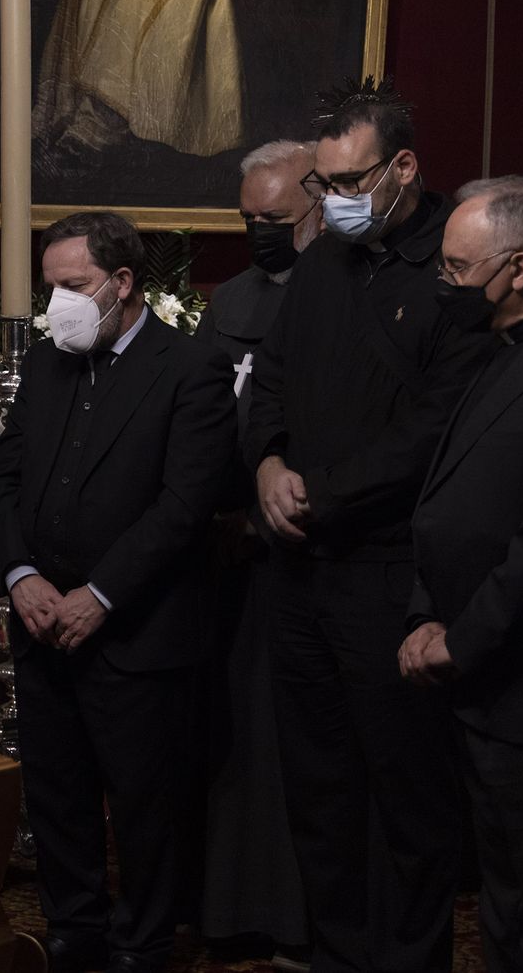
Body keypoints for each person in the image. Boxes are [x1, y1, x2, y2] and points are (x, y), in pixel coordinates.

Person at [244, 80, 494, 973]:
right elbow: (266, 381)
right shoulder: (319, 266)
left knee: (408, 800)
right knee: (318, 789)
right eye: (324, 184)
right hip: (299, 574)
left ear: (404, 167)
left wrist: (320, 490)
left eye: (350, 182)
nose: (335, 201)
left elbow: (438, 427)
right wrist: (269, 464)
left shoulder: (455, 269)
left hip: (390, 575)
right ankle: (340, 956)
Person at [0, 211, 234, 973]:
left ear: (123, 283)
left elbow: (185, 505)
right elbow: (3, 474)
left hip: (136, 628)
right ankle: (75, 924)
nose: (57, 303)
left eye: (73, 285)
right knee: (57, 787)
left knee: (144, 799)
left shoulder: (191, 367)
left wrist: (101, 592)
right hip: (41, 615)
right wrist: (21, 574)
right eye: (49, 285)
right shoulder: (55, 362)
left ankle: (145, 939)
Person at [399, 175, 523, 973]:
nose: (444, 286)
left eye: (457, 270)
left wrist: (462, 638)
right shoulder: (498, 351)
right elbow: (442, 497)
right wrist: (423, 613)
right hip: (473, 679)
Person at [193, 140, 315, 960]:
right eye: (247, 219)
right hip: (224, 550)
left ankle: (297, 918)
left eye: (273, 219)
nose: (259, 232)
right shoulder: (232, 296)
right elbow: (203, 411)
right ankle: (226, 908)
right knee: (228, 739)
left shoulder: (343, 293)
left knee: (293, 747)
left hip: (304, 550)